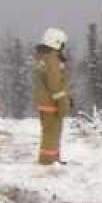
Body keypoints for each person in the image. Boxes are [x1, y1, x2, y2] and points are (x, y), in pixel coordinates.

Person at [32, 27, 72, 165]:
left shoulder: (43, 57)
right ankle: (47, 162)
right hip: (52, 103)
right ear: (56, 42)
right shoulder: (52, 59)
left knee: (51, 132)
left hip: (45, 101)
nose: (63, 48)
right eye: (62, 44)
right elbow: (55, 83)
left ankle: (52, 159)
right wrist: (63, 101)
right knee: (52, 133)